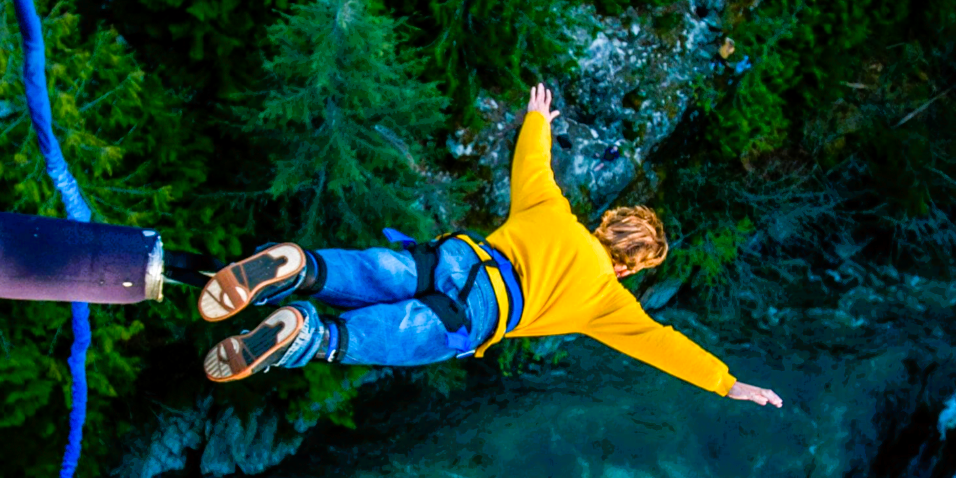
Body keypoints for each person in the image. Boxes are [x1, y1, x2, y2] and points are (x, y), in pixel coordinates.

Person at [198, 83, 783, 408]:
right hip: (480, 312)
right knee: (376, 336)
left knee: (379, 272)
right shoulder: (607, 301)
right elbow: (661, 344)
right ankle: (306, 332)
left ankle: (300, 267)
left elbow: (533, 163)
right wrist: (727, 382)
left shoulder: (550, 209)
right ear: (630, 268)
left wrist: (538, 119)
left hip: (459, 257)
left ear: (606, 223)